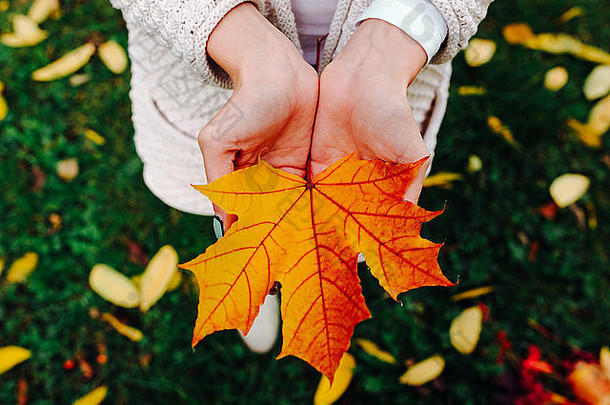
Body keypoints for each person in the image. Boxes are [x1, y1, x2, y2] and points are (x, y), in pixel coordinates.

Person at [108, 0, 493, 353]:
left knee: (324, 238)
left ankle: (259, 283)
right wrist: (242, 42)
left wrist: (390, 48)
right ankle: (256, 287)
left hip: (383, 89)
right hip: (204, 85)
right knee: (237, 209)